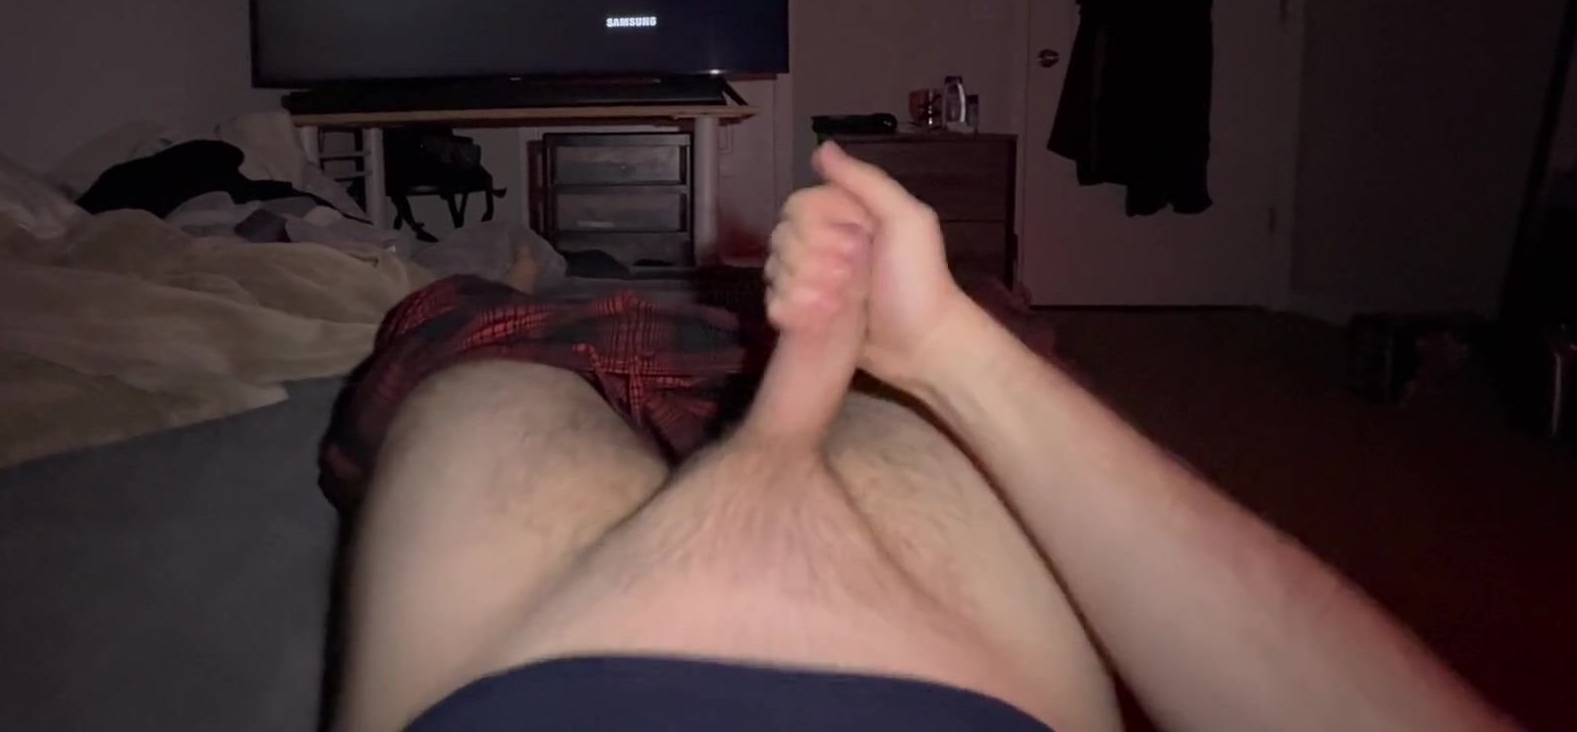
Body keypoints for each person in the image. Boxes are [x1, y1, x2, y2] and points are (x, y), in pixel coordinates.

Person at [332, 143, 1512, 731]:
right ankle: (868, 366)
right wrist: (948, 345)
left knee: (472, 332)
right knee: (958, 356)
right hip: (948, 672)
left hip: (501, 678)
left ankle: (799, 384)